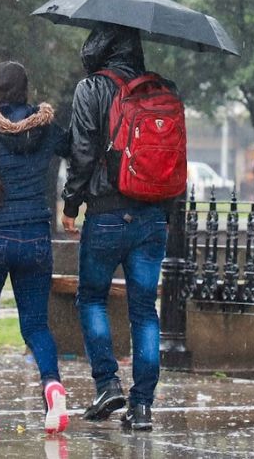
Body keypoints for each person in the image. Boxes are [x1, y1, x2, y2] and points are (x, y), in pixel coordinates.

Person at [62, 24, 173, 431]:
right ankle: (142, 406)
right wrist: (167, 213)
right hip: (151, 215)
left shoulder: (92, 88)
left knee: (91, 299)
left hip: (107, 213)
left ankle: (107, 383)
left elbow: (83, 152)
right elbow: (172, 158)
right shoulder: (164, 90)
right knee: (144, 311)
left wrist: (71, 201)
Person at [0, 61, 70, 434]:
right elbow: (75, 150)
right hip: (35, 237)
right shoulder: (46, 126)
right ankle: (51, 384)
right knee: (36, 325)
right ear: (25, 89)